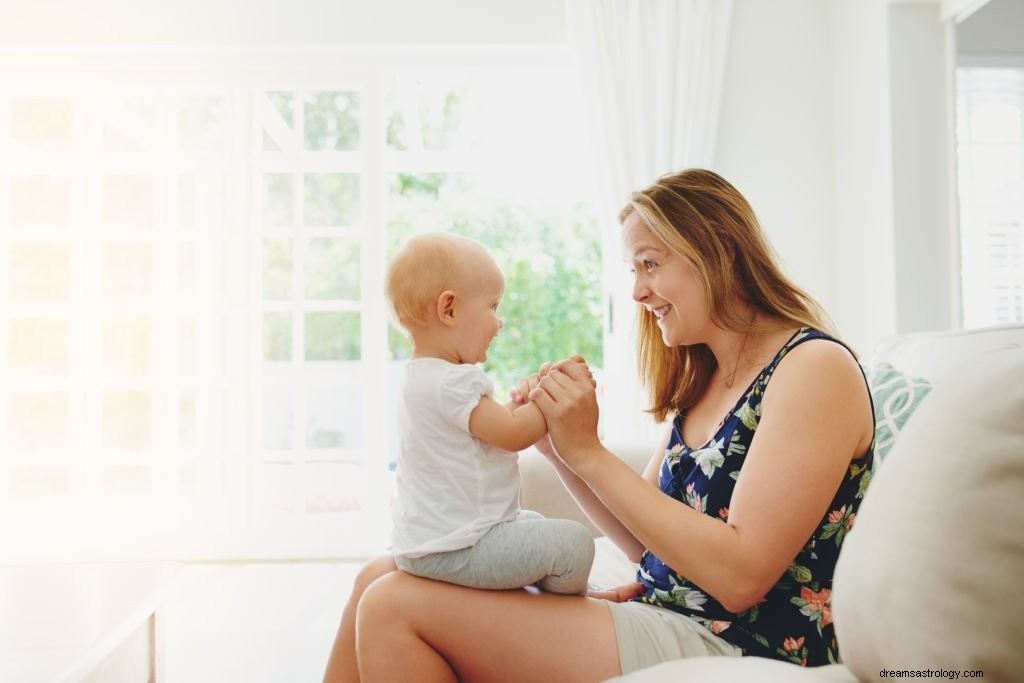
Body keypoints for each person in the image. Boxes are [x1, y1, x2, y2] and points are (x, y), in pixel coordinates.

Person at [323, 169, 875, 682]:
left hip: (740, 640)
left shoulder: (813, 370)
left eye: (650, 265)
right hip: (663, 608)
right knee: (376, 576)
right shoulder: (709, 379)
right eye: (634, 270)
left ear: (720, 252)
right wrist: (559, 447)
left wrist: (589, 451)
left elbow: (739, 578)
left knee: (392, 605)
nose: (637, 292)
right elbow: (645, 545)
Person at [382, 231, 594, 595]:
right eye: (493, 307)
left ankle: (550, 591)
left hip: (430, 543)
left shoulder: (421, 377)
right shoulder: (454, 382)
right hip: (460, 547)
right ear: (448, 309)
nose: (500, 322)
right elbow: (511, 435)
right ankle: (570, 607)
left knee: (533, 522)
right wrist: (555, 393)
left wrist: (523, 405)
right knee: (575, 543)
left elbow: (488, 430)